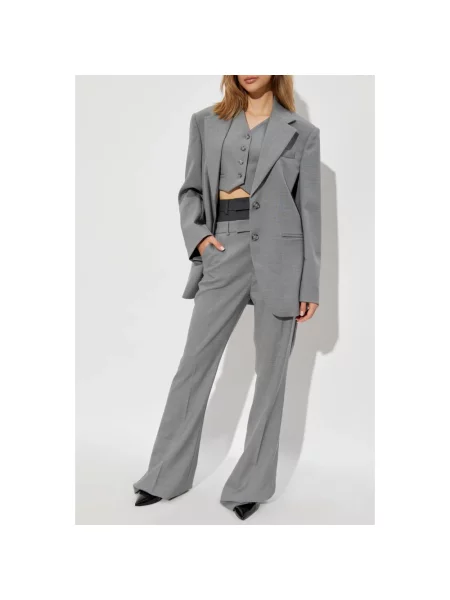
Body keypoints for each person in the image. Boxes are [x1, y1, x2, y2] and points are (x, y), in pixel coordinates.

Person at [133, 75, 321, 521]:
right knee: (193, 367)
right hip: (223, 249)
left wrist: (309, 283)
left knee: (272, 373)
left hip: (281, 257)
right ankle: (164, 475)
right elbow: (191, 190)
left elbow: (310, 210)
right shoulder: (206, 122)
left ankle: (251, 484)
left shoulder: (302, 133)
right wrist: (199, 238)